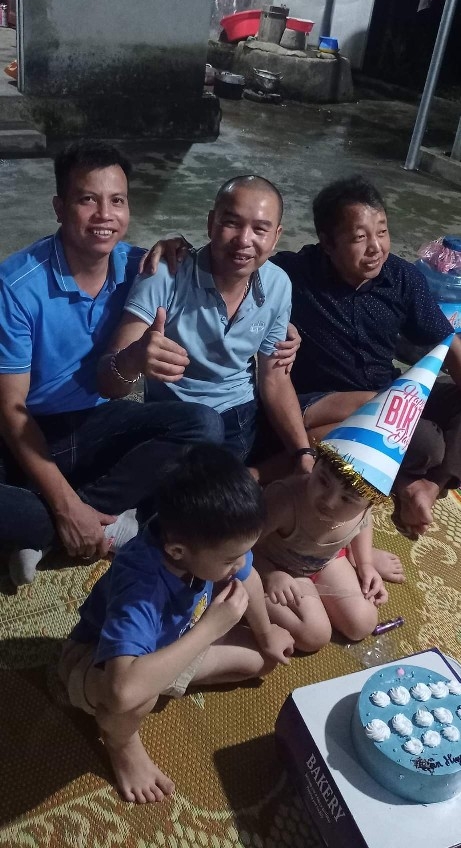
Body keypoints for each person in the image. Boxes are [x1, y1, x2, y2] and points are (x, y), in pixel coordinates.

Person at [149, 175, 461, 543]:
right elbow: (239, 253)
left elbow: (447, 341)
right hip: (317, 402)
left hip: (384, 392)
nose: (376, 248)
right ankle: (265, 474)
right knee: (423, 441)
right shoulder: (294, 273)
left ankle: (427, 485)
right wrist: (179, 248)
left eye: (382, 232)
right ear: (327, 243)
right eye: (359, 238)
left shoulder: (403, 278)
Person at [0, 140, 224, 586]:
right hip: (25, 434)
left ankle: (65, 523)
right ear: (59, 208)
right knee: (32, 510)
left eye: (117, 201)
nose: (105, 215)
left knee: (203, 426)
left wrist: (282, 328)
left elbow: (224, 273)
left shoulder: (140, 266)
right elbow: (11, 409)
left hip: (95, 424)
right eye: (88, 199)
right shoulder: (16, 286)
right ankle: (71, 519)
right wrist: (64, 506)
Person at [58, 444, 294, 804]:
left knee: (260, 660)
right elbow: (122, 690)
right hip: (95, 663)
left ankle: (163, 675)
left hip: (169, 644)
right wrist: (210, 629)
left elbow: (246, 576)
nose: (241, 563)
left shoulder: (206, 534)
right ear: (177, 552)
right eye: (230, 559)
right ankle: (121, 742)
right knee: (139, 696)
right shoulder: (141, 586)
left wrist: (266, 633)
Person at [98, 175, 314, 471]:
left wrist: (303, 453)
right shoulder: (166, 273)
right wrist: (133, 359)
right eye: (232, 223)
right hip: (177, 421)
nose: (244, 240)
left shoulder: (278, 285)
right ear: (211, 223)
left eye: (260, 229)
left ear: (276, 237)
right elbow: (108, 383)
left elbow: (274, 378)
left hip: (239, 417)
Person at [253, 452, 387, 653]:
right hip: (276, 567)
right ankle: (249, 602)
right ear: (315, 465)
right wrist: (269, 574)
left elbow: (364, 523)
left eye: (346, 498)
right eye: (324, 481)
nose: (329, 501)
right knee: (314, 635)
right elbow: (240, 547)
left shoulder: (364, 505)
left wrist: (365, 564)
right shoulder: (284, 499)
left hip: (327, 561)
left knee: (363, 623)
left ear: (369, 503)